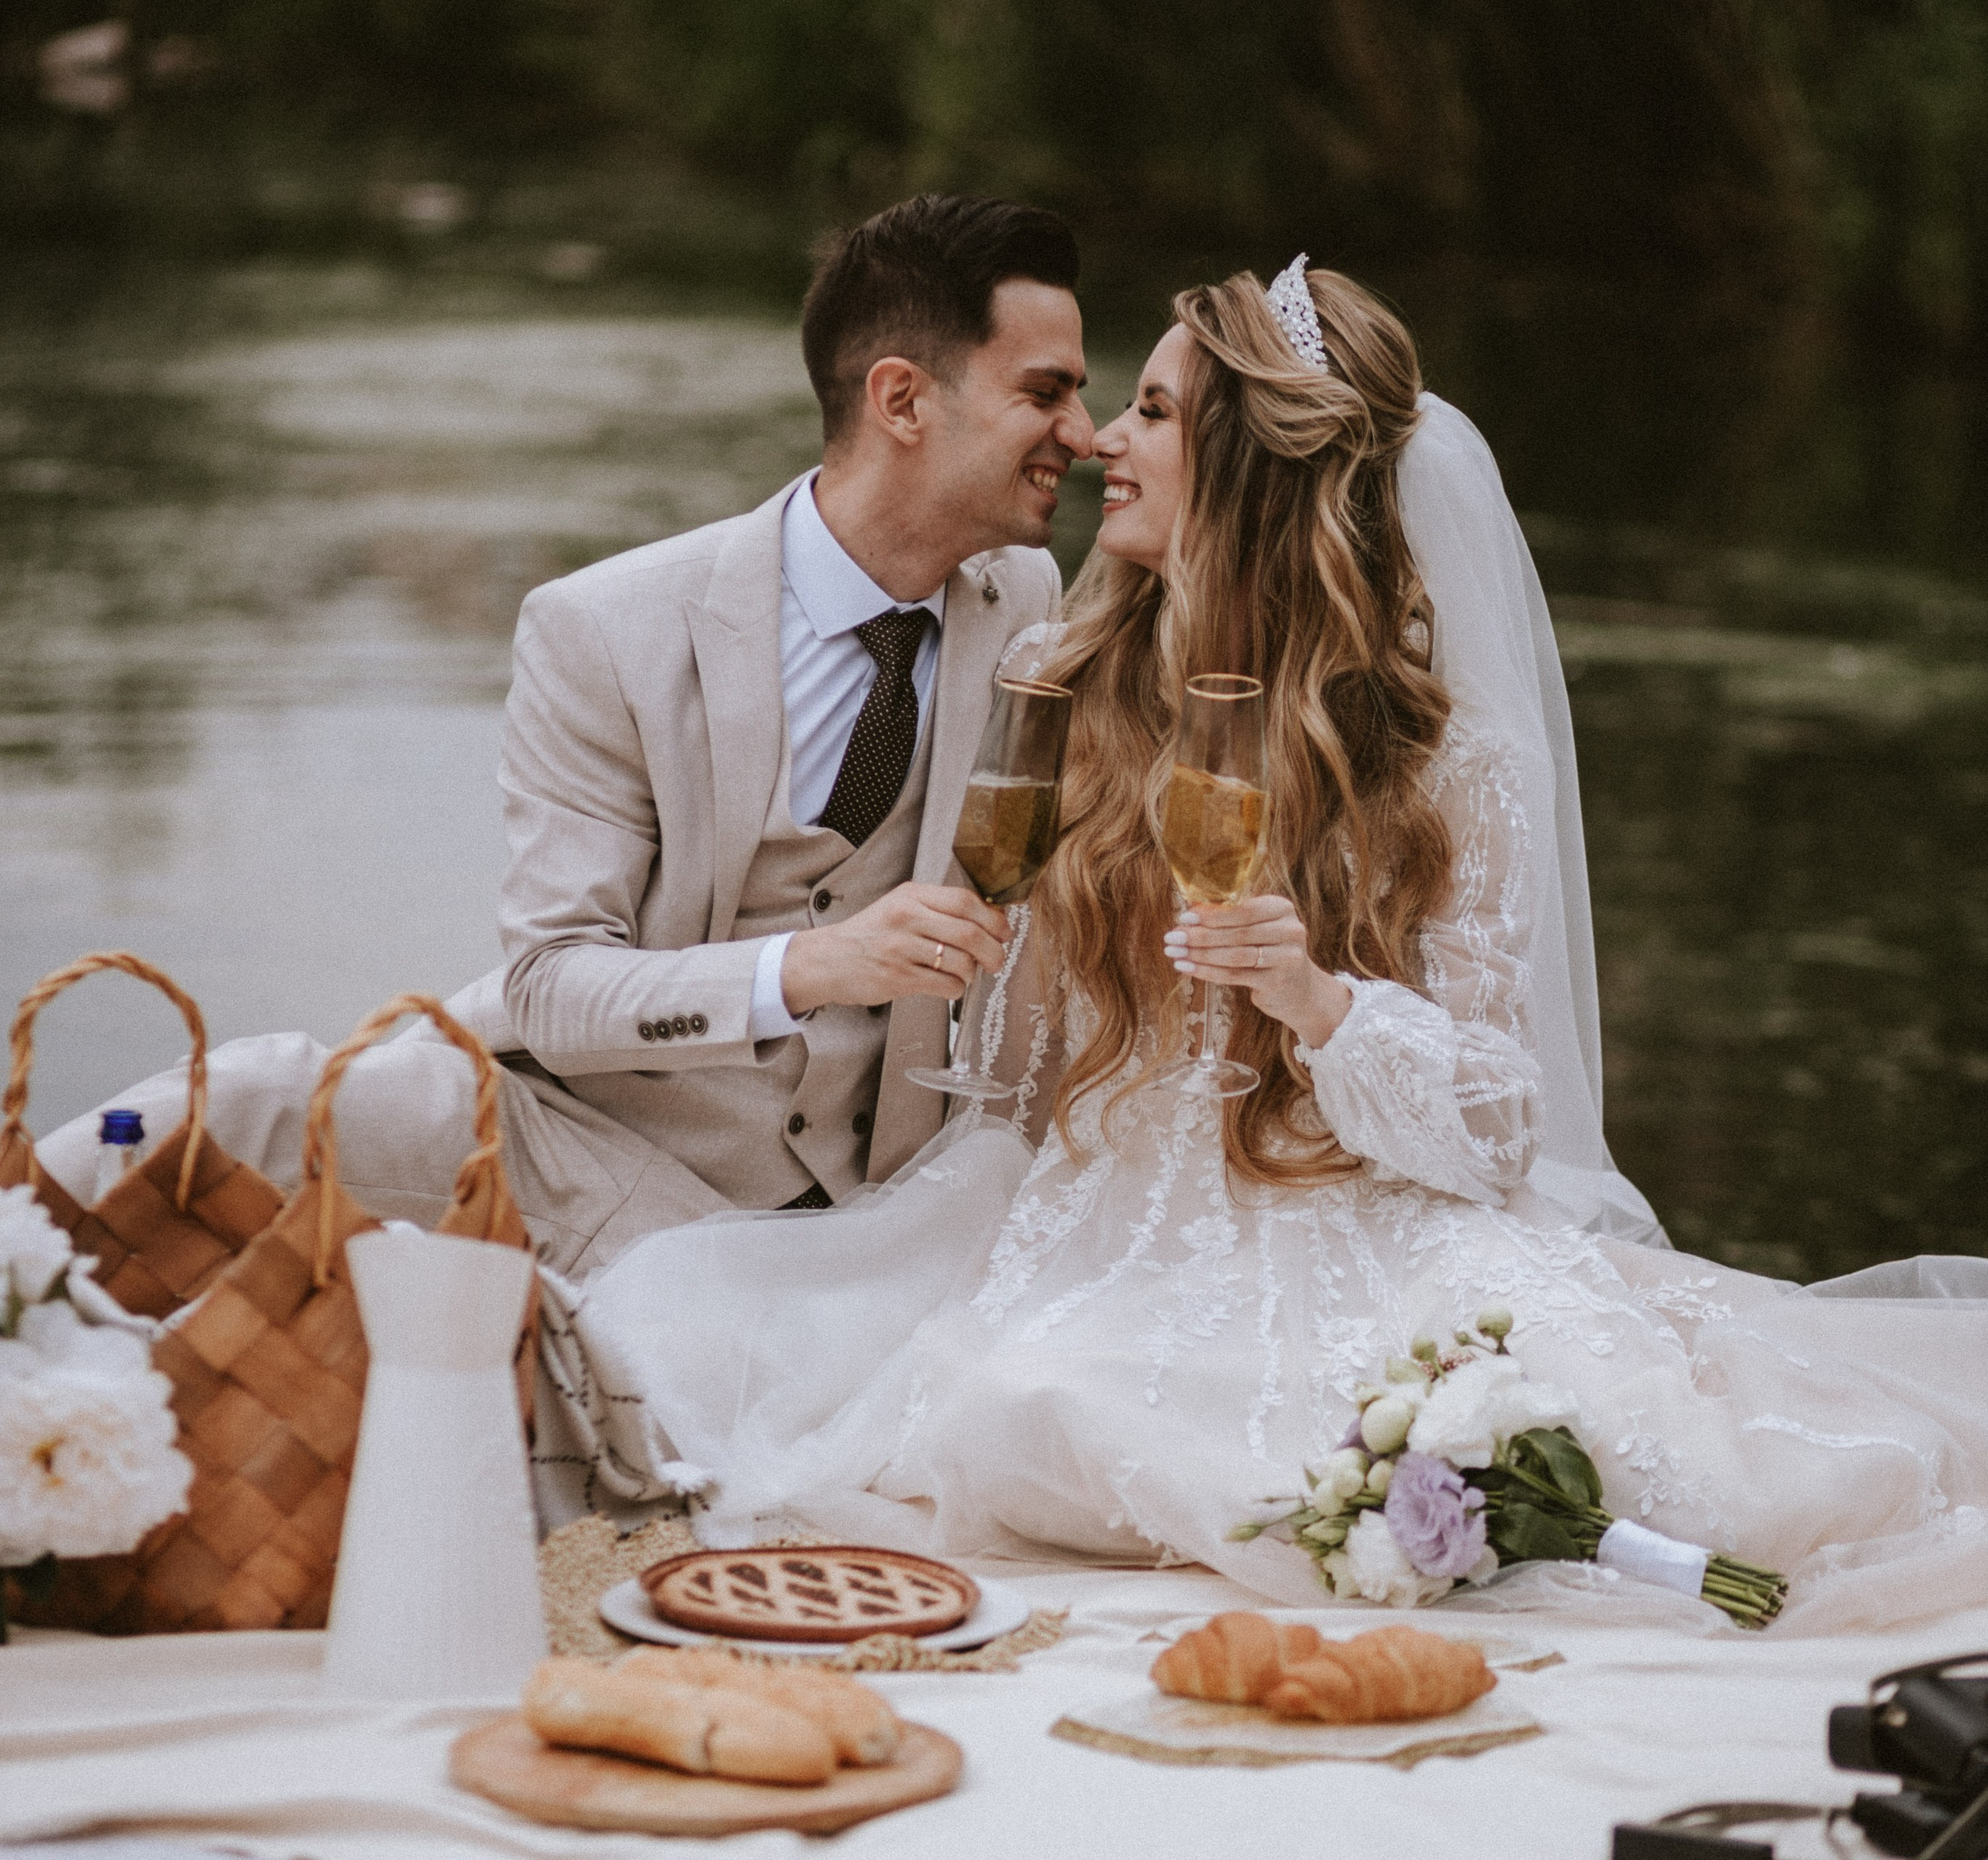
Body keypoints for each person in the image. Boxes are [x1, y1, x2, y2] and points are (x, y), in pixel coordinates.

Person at [547, 260, 1988, 1633]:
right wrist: (963, 959)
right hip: (1090, 1206)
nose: (1106, 435)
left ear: (1257, 472)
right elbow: (1023, 1075)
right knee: (774, 1354)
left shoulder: (1444, 762)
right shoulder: (1061, 676)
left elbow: (1496, 1129)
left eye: (1157, 413)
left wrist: (1317, 1000)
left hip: (1351, 1206)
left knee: (1648, 1457)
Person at [34, 194, 1092, 1278]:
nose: (1086, 436)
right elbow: (552, 983)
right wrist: (814, 964)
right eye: (1044, 393)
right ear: (903, 401)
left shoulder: (1023, 598)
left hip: (867, 1211)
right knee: (244, 1102)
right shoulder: (605, 629)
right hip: (588, 1146)